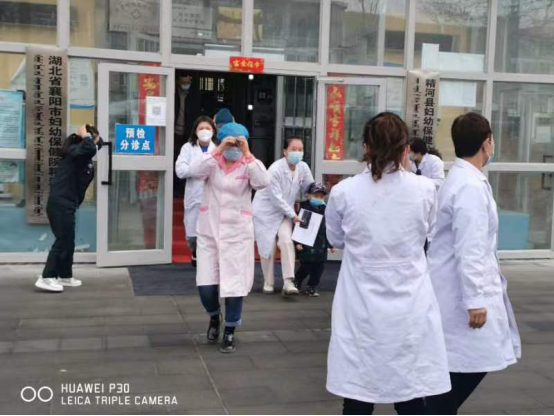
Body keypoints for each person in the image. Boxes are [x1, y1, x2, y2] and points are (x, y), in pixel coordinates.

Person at [325, 113, 451, 415]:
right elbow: (430, 232)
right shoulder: (425, 189)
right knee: (410, 390)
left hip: (359, 302)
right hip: (410, 301)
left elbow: (336, 238)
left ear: (366, 147)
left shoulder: (344, 192)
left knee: (357, 389)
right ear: (405, 148)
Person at [426, 113, 522, 415]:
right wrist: (475, 301)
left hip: (453, 289)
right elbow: (470, 247)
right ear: (487, 143)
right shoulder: (469, 186)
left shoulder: (463, 179)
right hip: (460, 296)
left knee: (456, 373)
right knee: (463, 368)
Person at [187, 122, 270, 353]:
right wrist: (218, 150)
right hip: (210, 231)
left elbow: (263, 182)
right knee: (206, 286)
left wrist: (247, 154)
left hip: (237, 234)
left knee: (234, 285)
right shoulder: (212, 162)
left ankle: (230, 329)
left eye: (238, 143)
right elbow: (194, 171)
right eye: (229, 143)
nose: (234, 147)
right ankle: (214, 316)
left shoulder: (249, 164)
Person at [35, 125, 103, 293]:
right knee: (63, 240)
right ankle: (47, 277)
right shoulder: (75, 152)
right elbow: (90, 148)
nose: (96, 144)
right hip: (60, 204)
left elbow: (95, 146)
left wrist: (90, 138)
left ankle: (65, 275)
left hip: (68, 203)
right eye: (93, 140)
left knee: (68, 241)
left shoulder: (82, 155)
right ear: (84, 140)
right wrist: (85, 135)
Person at [253, 137, 315, 296]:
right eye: (293, 149)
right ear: (285, 151)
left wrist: (315, 198)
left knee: (286, 240)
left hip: (284, 212)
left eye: (300, 149)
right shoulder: (275, 170)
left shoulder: (303, 167)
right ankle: (268, 281)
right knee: (268, 246)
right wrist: (293, 215)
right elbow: (276, 199)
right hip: (265, 211)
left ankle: (288, 281)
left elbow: (310, 187)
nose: (297, 152)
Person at [176, 116, 219, 268]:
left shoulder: (218, 149)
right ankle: (194, 251)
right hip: (194, 195)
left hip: (213, 195)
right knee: (192, 232)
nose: (204, 131)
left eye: (208, 128)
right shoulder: (187, 148)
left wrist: (195, 169)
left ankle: (208, 257)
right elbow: (180, 171)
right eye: (201, 128)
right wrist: (199, 169)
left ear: (213, 131)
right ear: (195, 131)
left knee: (211, 229)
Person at [293, 182, 335, 298]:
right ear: (309, 195)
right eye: (316, 196)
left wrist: (331, 244)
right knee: (306, 265)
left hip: (321, 243)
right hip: (306, 243)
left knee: (319, 267)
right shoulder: (304, 208)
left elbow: (328, 228)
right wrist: (298, 242)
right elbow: (298, 227)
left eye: (321, 196)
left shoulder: (326, 210)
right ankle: (297, 280)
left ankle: (312, 286)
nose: (319, 199)